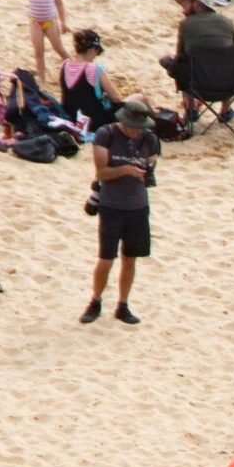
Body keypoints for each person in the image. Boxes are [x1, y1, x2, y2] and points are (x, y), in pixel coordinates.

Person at [84, 101, 158, 327]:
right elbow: (102, 172)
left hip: (137, 206)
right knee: (106, 259)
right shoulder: (106, 135)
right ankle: (95, 301)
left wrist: (145, 172)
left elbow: (151, 169)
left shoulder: (149, 139)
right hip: (111, 205)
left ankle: (122, 304)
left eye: (140, 126)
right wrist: (127, 169)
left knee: (130, 259)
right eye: (133, 126)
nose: (136, 131)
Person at [163, 0, 234, 120]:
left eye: (186, 3)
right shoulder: (228, 22)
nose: (183, 8)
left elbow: (180, 56)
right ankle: (226, 110)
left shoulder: (186, 24)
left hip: (198, 85)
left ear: (198, 5)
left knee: (174, 62)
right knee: (228, 62)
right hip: (228, 85)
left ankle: (191, 108)